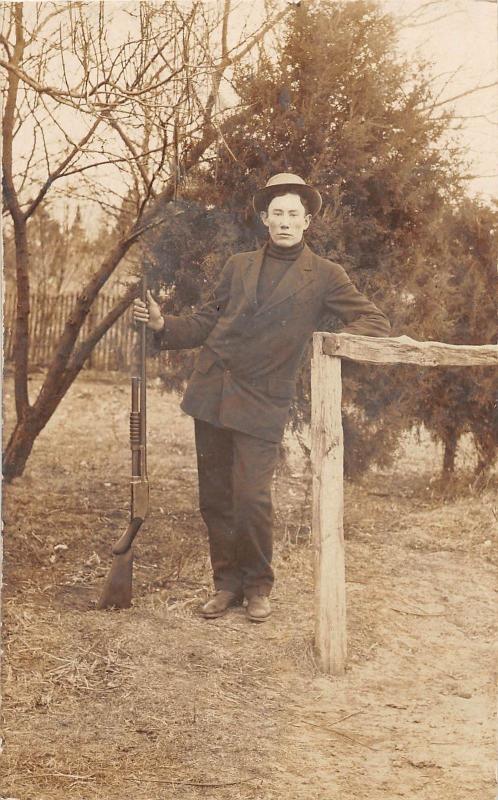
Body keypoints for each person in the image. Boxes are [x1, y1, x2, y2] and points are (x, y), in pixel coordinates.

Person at [133, 173, 390, 623]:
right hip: (212, 391)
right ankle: (226, 584)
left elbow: (375, 322)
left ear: (307, 221)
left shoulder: (326, 276)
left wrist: (322, 346)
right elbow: (207, 320)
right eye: (277, 213)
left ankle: (257, 586)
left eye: (294, 213)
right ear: (264, 218)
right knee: (215, 498)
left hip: (264, 398)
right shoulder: (240, 265)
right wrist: (161, 325)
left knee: (252, 498)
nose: (285, 221)